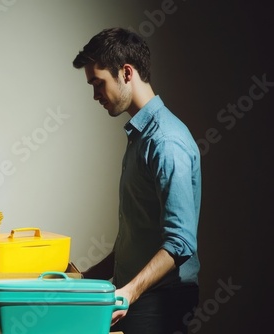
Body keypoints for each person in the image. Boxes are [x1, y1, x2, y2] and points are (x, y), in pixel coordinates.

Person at [72, 28, 201, 334]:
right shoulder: (141, 136)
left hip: (161, 301)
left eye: (98, 83)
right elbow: (139, 235)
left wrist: (129, 292)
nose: (95, 95)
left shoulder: (166, 141)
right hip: (139, 295)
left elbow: (180, 242)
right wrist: (85, 279)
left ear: (126, 73)